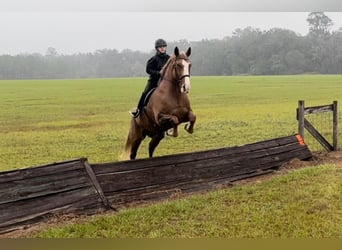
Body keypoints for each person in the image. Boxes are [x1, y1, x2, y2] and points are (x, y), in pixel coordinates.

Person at [130, 38, 170, 118]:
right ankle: (138, 110)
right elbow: (148, 70)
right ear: (157, 49)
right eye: (160, 47)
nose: (162, 48)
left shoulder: (169, 58)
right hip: (154, 80)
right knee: (145, 92)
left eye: (164, 47)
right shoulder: (153, 59)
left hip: (166, 81)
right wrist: (158, 73)